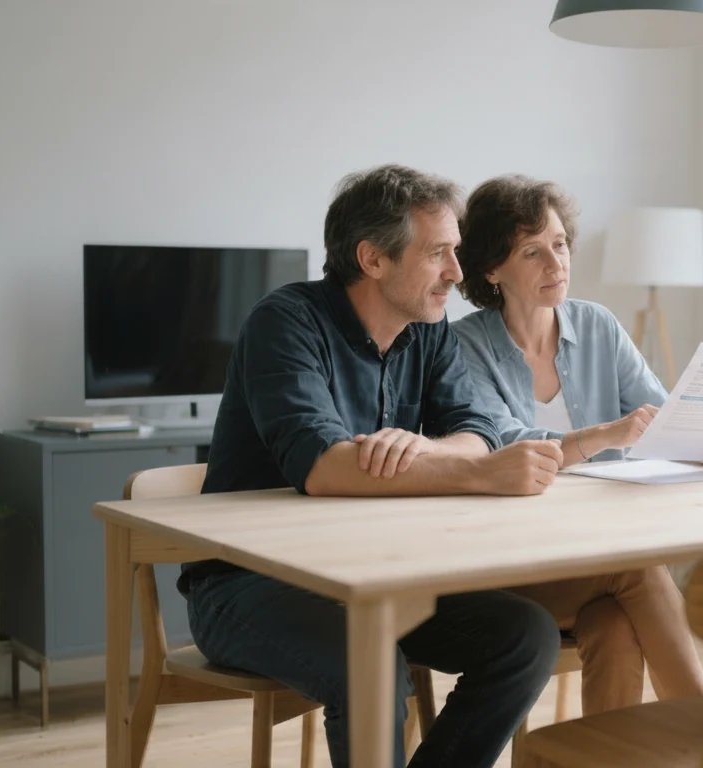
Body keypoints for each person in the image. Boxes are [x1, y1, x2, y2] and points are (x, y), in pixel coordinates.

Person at [177, 164, 567, 768]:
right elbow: (325, 469)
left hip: (376, 574)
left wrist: (434, 451)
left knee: (527, 635)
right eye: (438, 253)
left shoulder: (429, 330)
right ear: (373, 259)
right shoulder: (284, 323)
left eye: (456, 252)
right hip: (247, 585)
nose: (457, 274)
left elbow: (478, 431)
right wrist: (475, 473)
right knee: (372, 664)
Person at [450, 174, 703, 713]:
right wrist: (605, 435)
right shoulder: (463, 346)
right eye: (532, 252)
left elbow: (668, 422)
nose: (556, 264)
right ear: (490, 267)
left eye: (560, 244)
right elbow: (502, 445)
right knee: (637, 567)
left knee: (617, 627)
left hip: (593, 558)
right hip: (510, 571)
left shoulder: (597, 325)